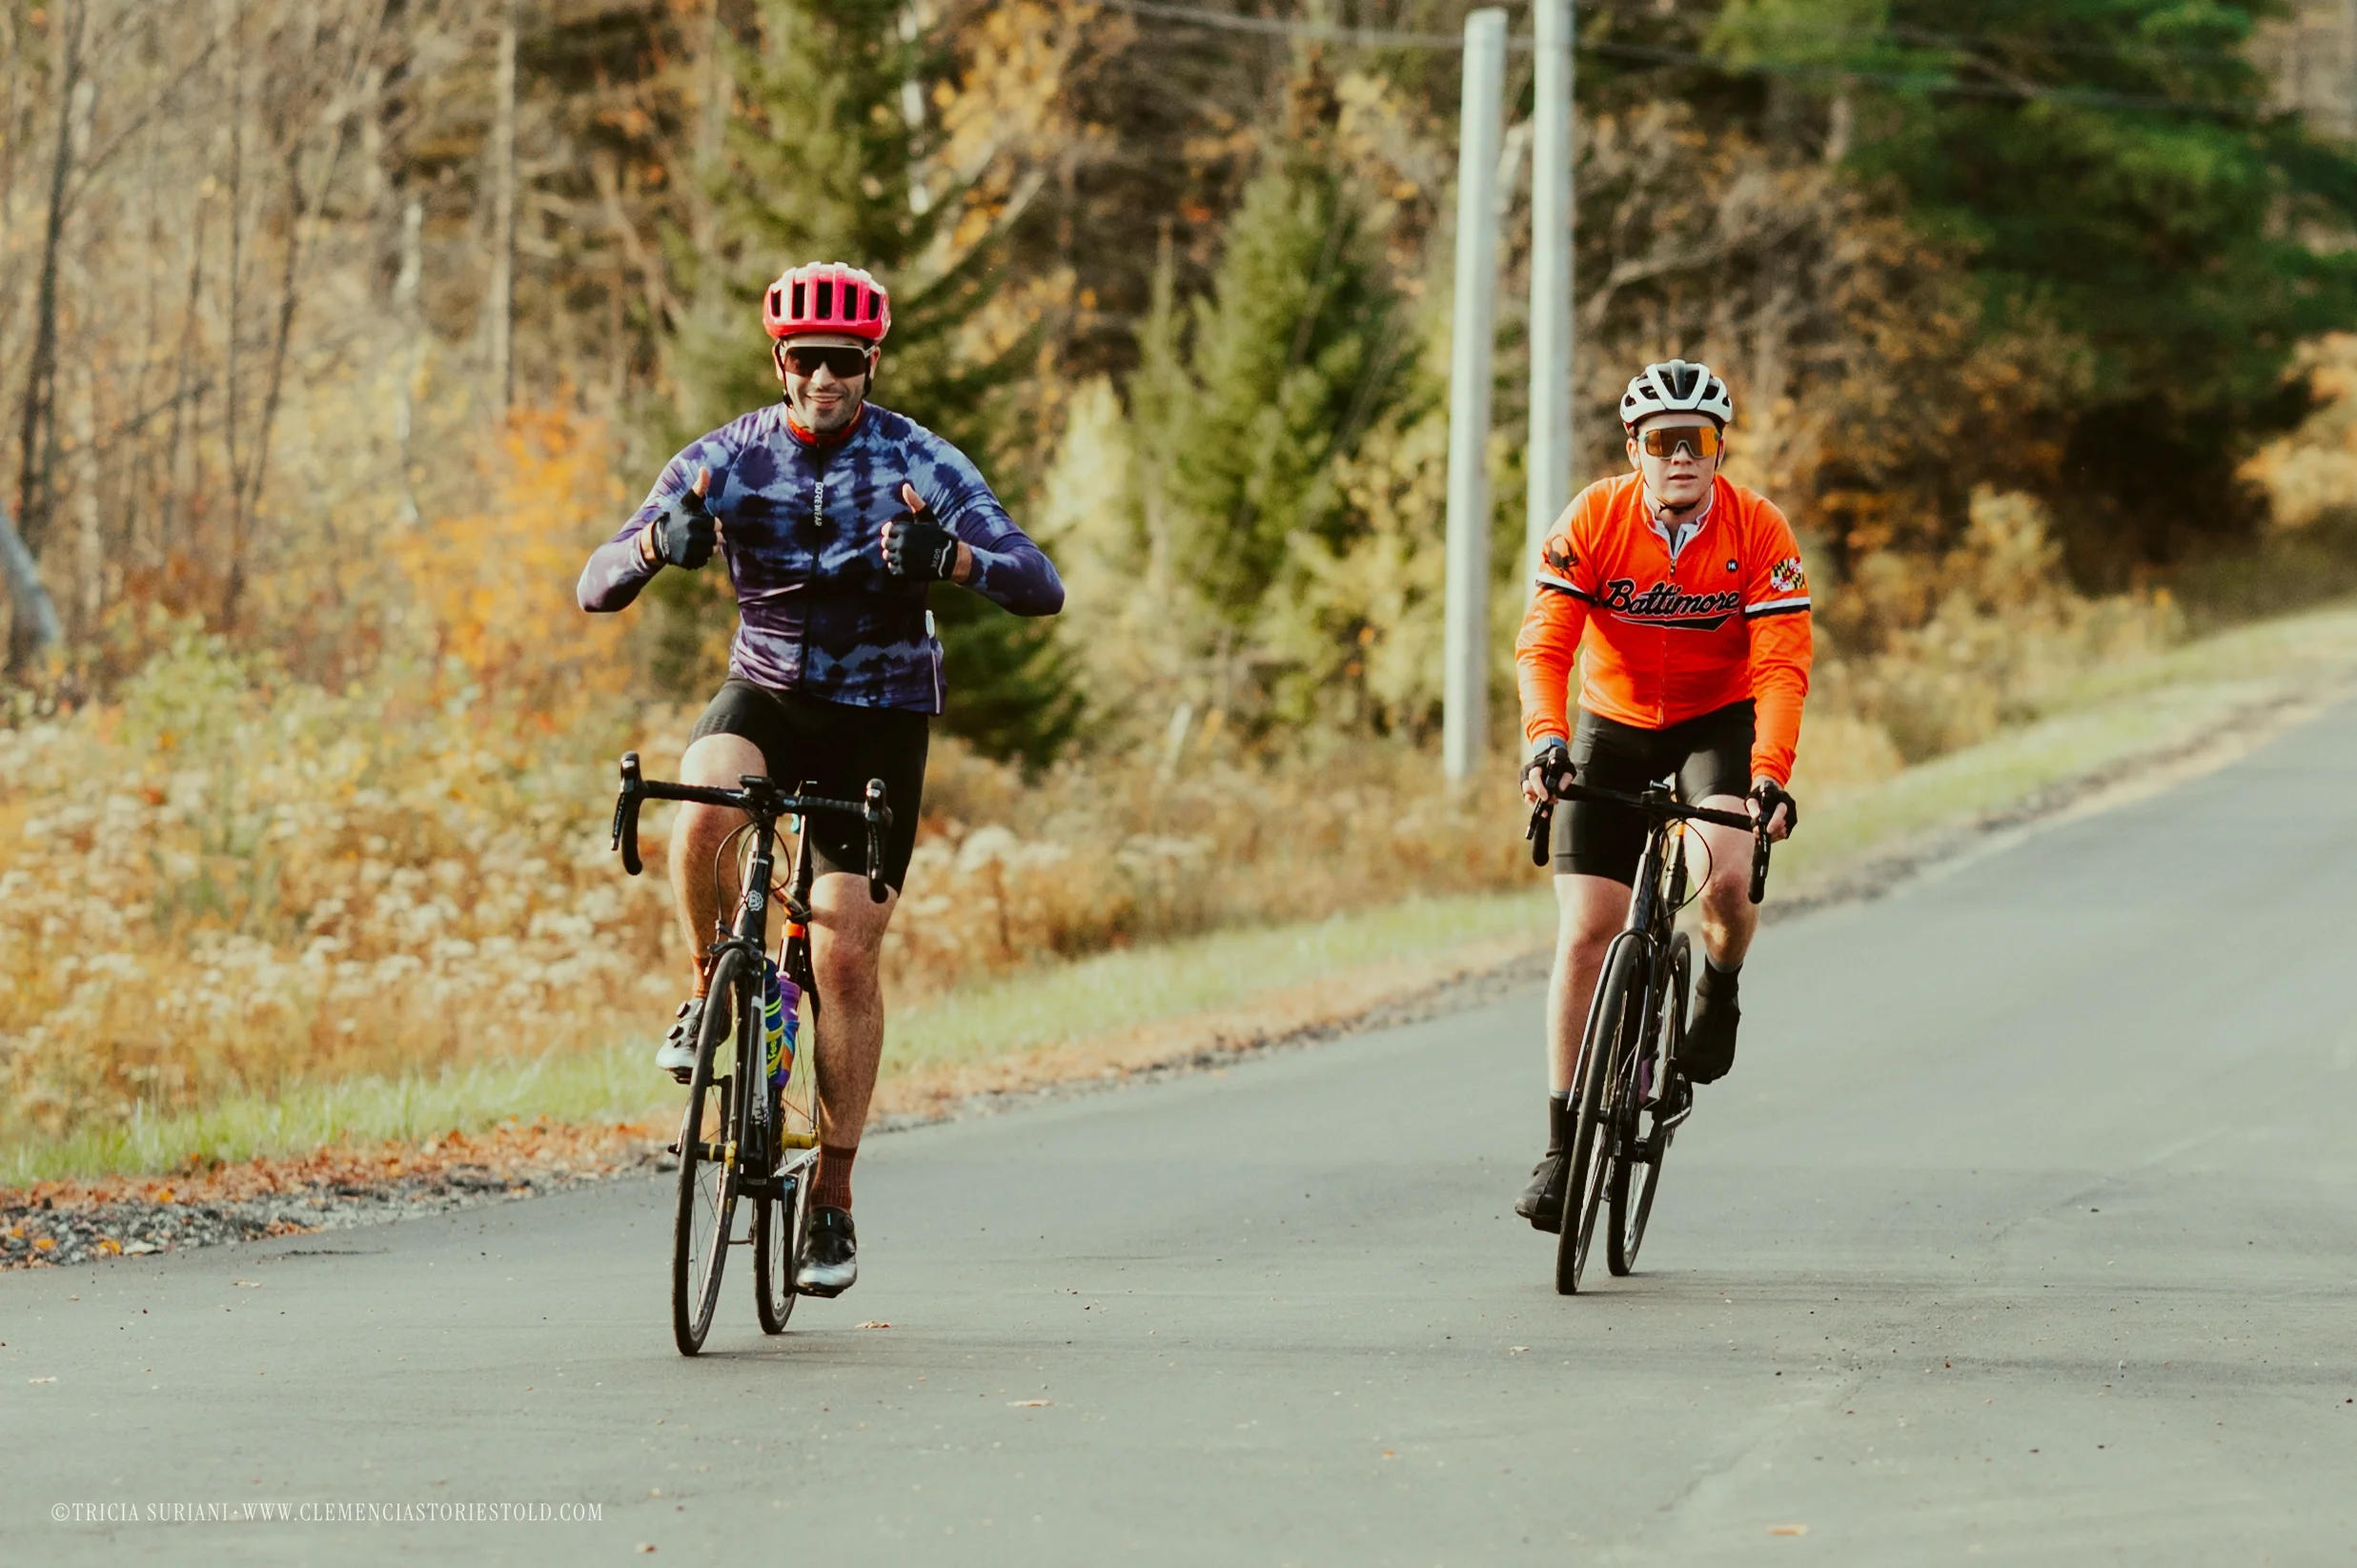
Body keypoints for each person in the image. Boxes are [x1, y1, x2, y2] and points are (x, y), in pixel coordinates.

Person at [577, 261, 1064, 1293]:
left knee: (844, 955)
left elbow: (1040, 583)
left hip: (881, 713)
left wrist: (954, 558)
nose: (823, 378)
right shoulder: (729, 457)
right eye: (806, 359)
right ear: (781, 362)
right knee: (702, 801)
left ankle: (832, 1199)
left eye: (844, 360)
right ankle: (710, 988)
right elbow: (595, 582)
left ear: (870, 363)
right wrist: (659, 545)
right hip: (767, 688)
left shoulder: (917, 460)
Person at [1510, 359, 1809, 1232]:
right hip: (1611, 720)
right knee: (1586, 930)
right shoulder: (1593, 519)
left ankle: (1717, 985)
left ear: (1718, 450)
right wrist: (1543, 740)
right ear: (1634, 448)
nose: (1681, 457)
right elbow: (1544, 643)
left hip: (1718, 721)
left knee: (1723, 873)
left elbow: (1781, 663)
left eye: (1699, 440)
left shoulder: (1758, 530)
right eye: (1663, 441)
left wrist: (1770, 772)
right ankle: (1565, 1146)